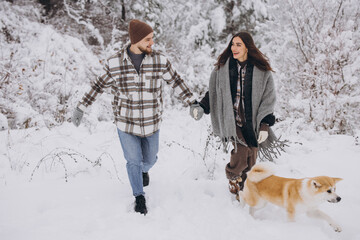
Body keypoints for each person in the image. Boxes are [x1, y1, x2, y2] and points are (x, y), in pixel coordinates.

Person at [72, 19, 196, 215]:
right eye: (148, 39)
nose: (151, 43)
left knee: (150, 159)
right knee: (132, 161)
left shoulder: (159, 61)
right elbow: (97, 86)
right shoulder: (114, 63)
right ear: (136, 40)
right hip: (126, 123)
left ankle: (144, 171)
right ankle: (139, 197)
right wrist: (81, 107)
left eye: (152, 39)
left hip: (151, 122)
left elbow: (176, 81)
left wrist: (192, 102)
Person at [190, 32, 277, 198]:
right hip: (231, 121)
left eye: (238, 45)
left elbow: (268, 99)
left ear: (247, 47)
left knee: (251, 157)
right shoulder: (222, 69)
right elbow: (214, 92)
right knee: (241, 150)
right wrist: (201, 107)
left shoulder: (262, 71)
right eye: (232, 44)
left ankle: (242, 189)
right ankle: (232, 176)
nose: (234, 48)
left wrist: (265, 125)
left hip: (252, 122)